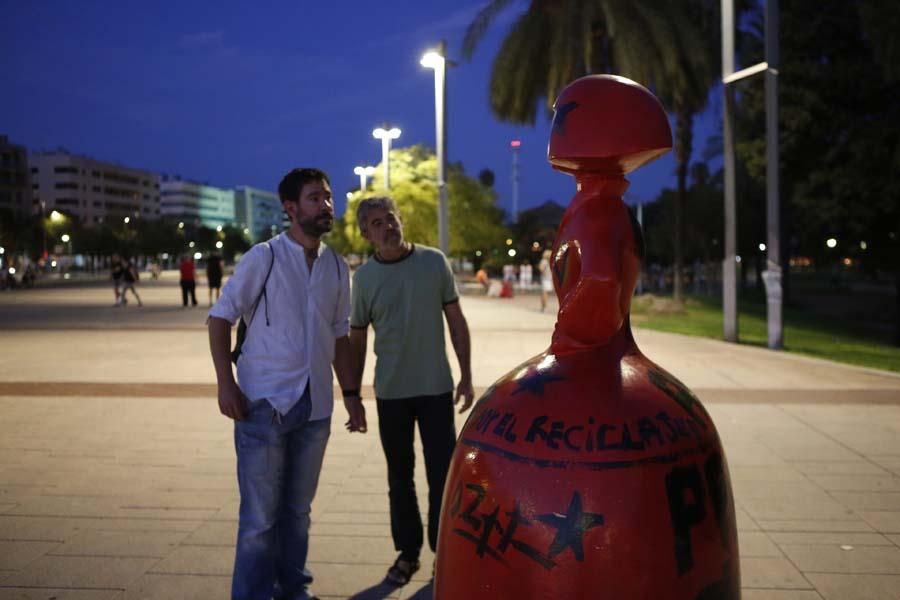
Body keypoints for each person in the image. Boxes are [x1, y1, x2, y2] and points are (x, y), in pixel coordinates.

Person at [208, 167, 364, 600]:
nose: (326, 205)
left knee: (297, 512)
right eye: (315, 198)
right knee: (260, 520)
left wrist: (351, 396)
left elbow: (339, 334)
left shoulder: (336, 265)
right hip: (264, 404)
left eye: (329, 197)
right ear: (291, 208)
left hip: (315, 409)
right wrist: (226, 384)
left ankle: (294, 589)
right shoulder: (266, 257)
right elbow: (220, 317)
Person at [348, 196, 474, 585]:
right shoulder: (365, 279)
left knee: (442, 475)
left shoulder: (433, 261)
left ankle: (444, 551)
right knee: (399, 476)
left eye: (391, 218)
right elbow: (356, 339)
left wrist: (466, 375)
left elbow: (456, 321)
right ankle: (408, 552)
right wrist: (352, 397)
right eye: (376, 223)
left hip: (436, 388)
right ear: (366, 235)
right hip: (391, 393)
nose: (387, 226)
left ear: (400, 220)